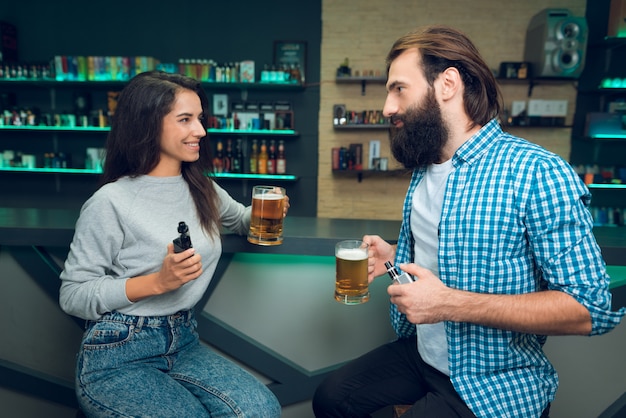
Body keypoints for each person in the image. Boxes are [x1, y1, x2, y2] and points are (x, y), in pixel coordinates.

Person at [313, 25, 625, 418]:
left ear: (447, 84)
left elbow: (590, 308)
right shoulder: (426, 168)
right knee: (331, 398)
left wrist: (449, 304)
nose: (388, 107)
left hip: (493, 380)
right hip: (424, 356)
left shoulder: (536, 172)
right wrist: (395, 256)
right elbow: (451, 257)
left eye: (398, 89)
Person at [59, 71, 285, 417]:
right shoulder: (111, 201)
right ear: (147, 124)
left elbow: (240, 219)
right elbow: (73, 294)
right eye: (185, 120)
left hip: (183, 339)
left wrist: (270, 210)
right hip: (118, 351)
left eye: (200, 119)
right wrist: (157, 283)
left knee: (260, 410)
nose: (201, 131)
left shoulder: (201, 188)